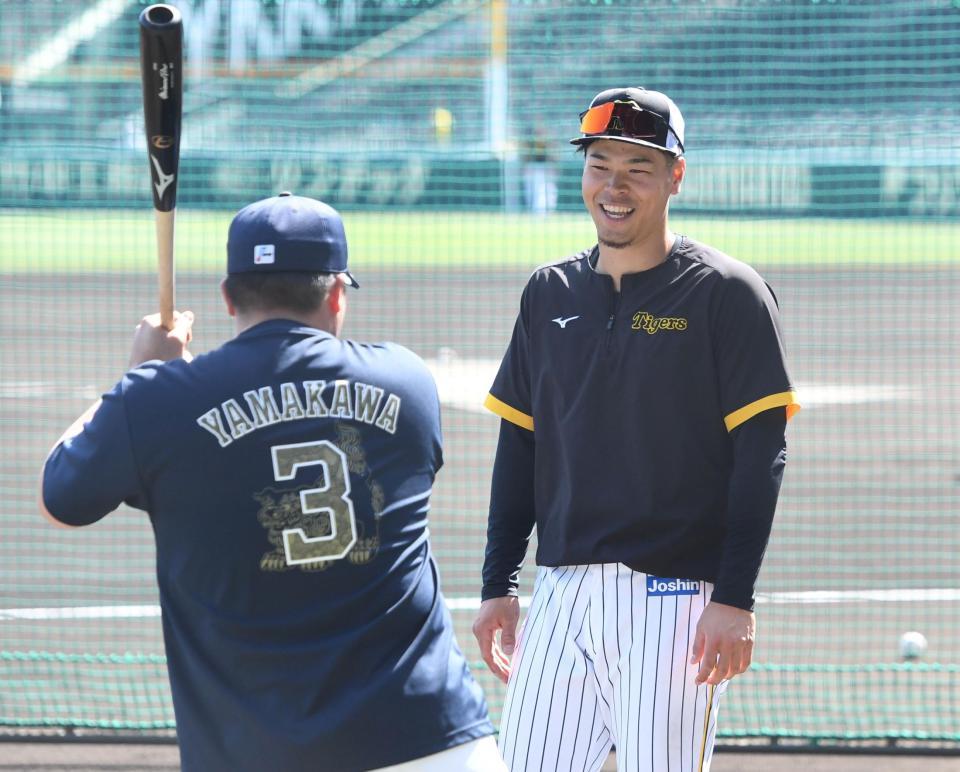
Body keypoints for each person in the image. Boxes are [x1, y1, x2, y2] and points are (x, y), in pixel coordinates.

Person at [40, 192, 503, 772]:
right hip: (432, 742)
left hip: (254, 751)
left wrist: (138, 378)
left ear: (229, 297)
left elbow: (60, 498)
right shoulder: (407, 383)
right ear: (337, 294)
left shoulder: (158, 404)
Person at [472, 87, 800, 771]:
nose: (613, 187)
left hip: (675, 599)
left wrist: (735, 598)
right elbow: (520, 445)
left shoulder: (728, 292)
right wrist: (498, 583)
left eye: (637, 169)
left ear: (676, 176)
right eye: (599, 164)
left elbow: (761, 457)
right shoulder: (548, 291)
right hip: (560, 593)